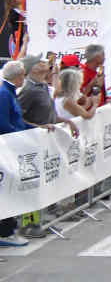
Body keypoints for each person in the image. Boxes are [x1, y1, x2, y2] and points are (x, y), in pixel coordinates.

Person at [0, 61, 31, 247]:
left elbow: (17, 120)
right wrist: (22, 136)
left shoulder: (9, 93)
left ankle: (9, 229)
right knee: (8, 190)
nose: (24, 79)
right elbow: (3, 124)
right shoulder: (4, 94)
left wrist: (36, 128)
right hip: (8, 149)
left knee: (12, 190)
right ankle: (5, 231)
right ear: (18, 76)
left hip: (13, 147)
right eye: (23, 75)